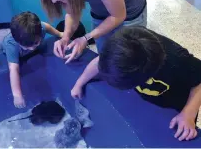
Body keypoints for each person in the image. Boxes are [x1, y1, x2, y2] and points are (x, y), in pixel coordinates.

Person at [71, 26, 201, 142]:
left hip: (178, 104)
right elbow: (100, 62)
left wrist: (188, 114)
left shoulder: (177, 60)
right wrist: (79, 83)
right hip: (150, 99)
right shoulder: (124, 44)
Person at [1, 12, 63, 108]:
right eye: (27, 46)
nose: (32, 48)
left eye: (36, 43)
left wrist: (59, 34)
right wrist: (17, 94)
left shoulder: (40, 29)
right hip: (13, 54)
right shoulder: (11, 45)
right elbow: (13, 69)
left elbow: (46, 26)